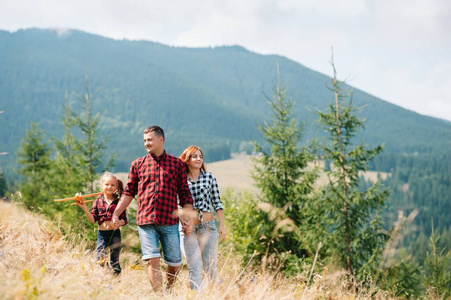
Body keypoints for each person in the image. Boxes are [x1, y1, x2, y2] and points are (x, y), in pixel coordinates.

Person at [112, 125, 194, 292]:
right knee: (152, 260)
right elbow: (128, 193)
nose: (146, 144)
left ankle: (169, 289)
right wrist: (115, 213)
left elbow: (185, 194)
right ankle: (158, 295)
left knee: (175, 263)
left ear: (161, 140)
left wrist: (187, 218)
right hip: (146, 220)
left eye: (149, 140)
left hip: (170, 222)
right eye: (144, 141)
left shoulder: (177, 164)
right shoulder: (137, 164)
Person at [179, 145, 226, 290]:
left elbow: (217, 202)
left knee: (210, 267)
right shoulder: (180, 180)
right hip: (188, 229)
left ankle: (216, 295)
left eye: (200, 156)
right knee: (194, 267)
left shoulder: (209, 177)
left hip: (208, 227)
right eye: (195, 156)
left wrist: (222, 226)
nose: (199, 159)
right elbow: (177, 204)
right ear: (187, 159)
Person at [76, 172, 127, 274]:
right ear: (101, 185)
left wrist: (119, 223)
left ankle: (116, 280)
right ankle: (102, 277)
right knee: (100, 259)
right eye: (107, 184)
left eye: (112, 185)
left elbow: (124, 220)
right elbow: (92, 220)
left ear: (116, 187)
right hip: (102, 235)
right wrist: (84, 208)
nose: (109, 187)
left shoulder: (119, 202)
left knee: (114, 261)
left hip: (115, 234)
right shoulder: (97, 202)